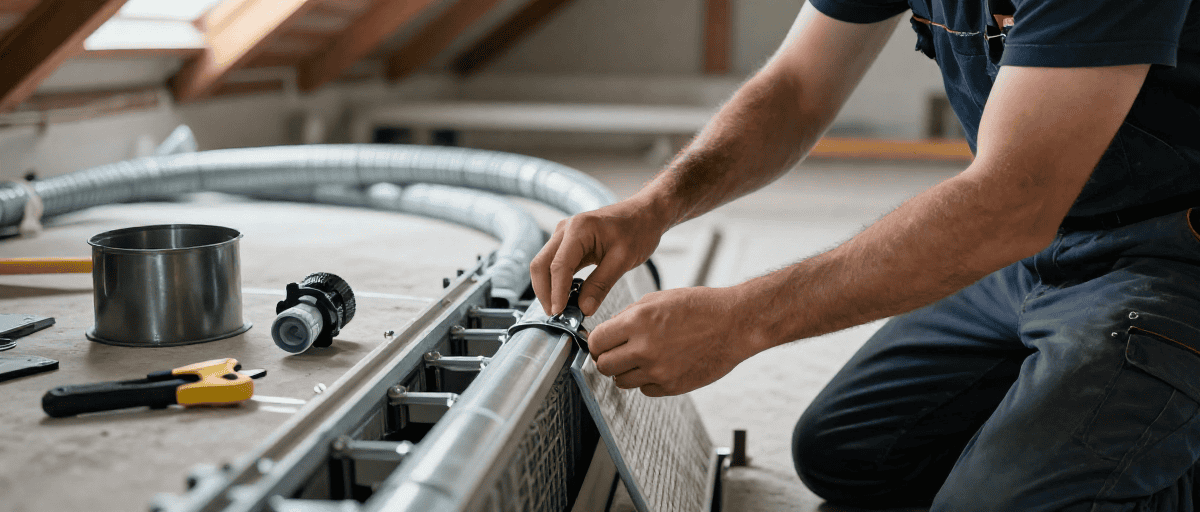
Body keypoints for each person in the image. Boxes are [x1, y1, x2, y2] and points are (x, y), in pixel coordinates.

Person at [531, 0, 1200, 509]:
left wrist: (740, 319)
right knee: (849, 453)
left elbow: (1009, 202)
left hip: (1172, 255)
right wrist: (653, 207)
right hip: (1040, 247)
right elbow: (797, 87)